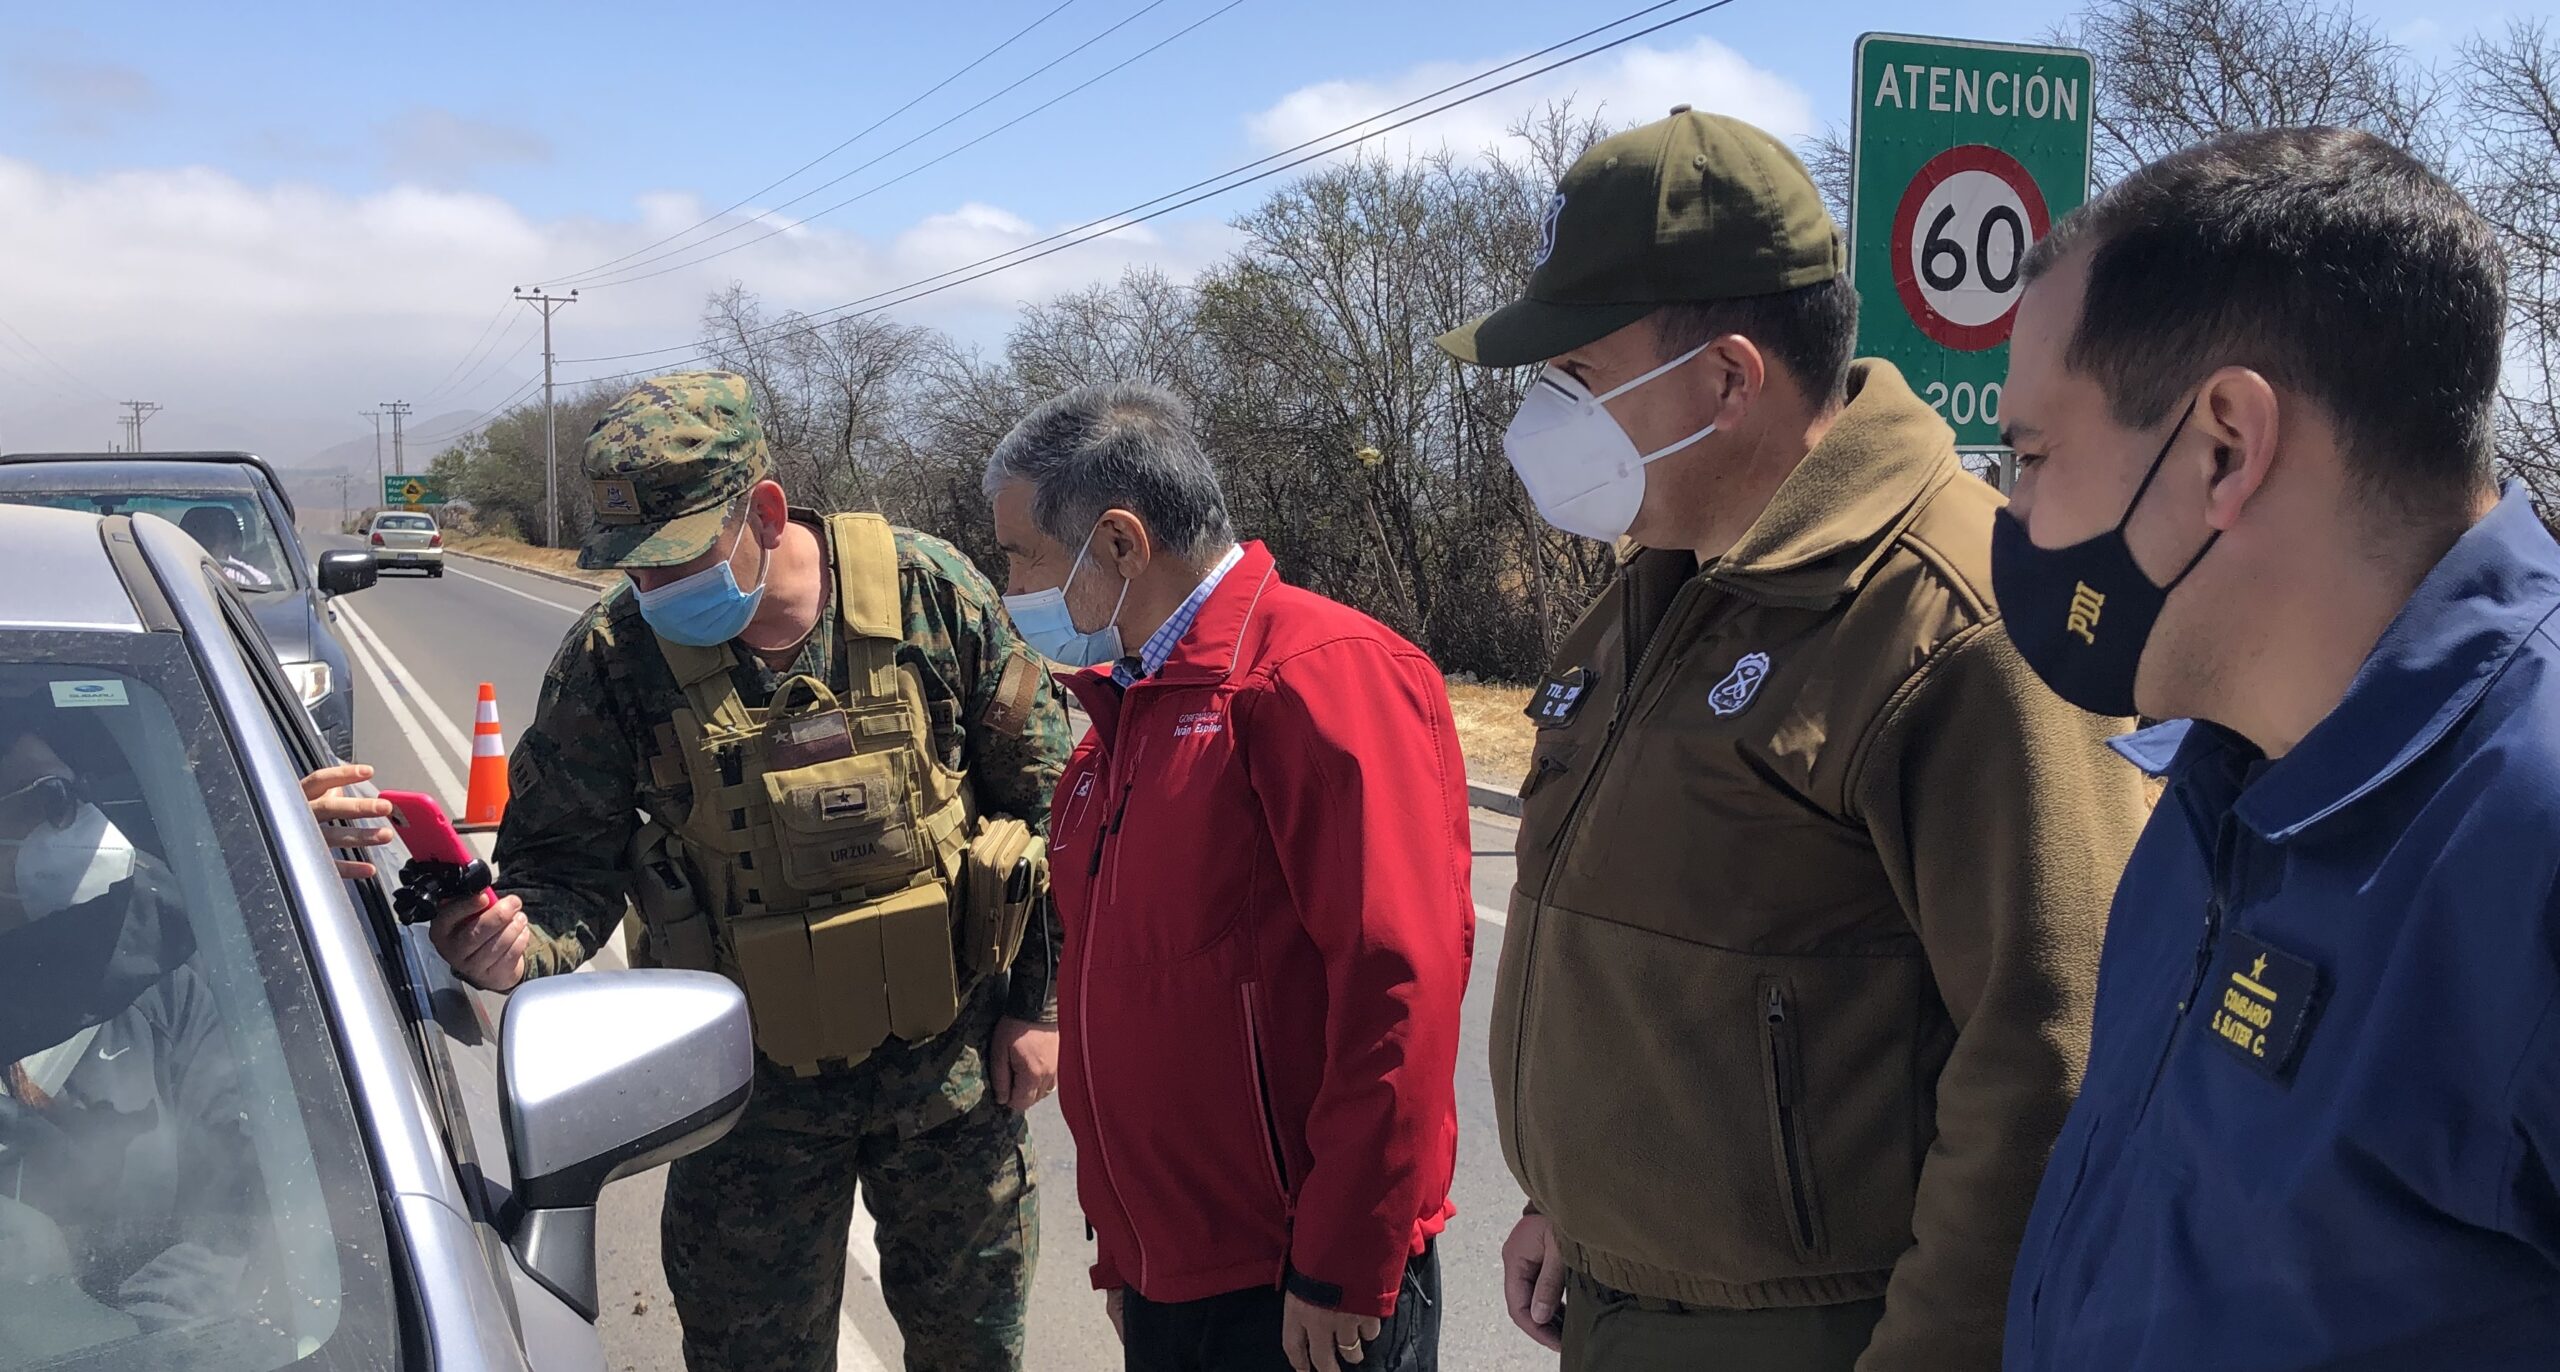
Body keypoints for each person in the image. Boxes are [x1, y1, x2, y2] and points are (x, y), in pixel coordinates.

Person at [1430, 108, 2154, 1370]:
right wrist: (1569, 1204)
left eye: (1580, 376)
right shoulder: (1656, 578)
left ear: (1725, 378)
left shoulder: (1960, 621)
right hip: (1621, 1302)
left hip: (1822, 1333)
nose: (1549, 417)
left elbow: (2053, 1056)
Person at [1995, 128, 2560, 1370]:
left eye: (2032, 455)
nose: (2014, 515)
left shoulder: (2531, 833)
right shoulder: (2223, 783)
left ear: (2224, 448)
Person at [426, 371, 1075, 1372]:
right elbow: (563, 866)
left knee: (974, 1354)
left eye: (672, 562)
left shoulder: (928, 592)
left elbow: (1049, 804)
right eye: (629, 570)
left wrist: (1042, 1007)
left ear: (762, 513)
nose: (649, 593)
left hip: (949, 1078)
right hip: (747, 1109)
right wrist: (520, 946)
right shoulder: (613, 655)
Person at [983, 383, 1472, 1372]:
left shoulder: (1315, 678)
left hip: (1295, 1283)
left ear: (1120, 544)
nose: (1011, 583)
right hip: (1175, 1275)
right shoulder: (1132, 704)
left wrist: (1343, 1257)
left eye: (1021, 554)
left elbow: (1397, 987)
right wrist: (1126, 1251)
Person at [0, 717, 265, 1357]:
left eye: (80, 792)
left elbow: (231, 1199)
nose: (81, 821)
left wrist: (149, 1338)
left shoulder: (167, 991)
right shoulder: (142, 941)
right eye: (50, 801)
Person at [177, 505, 275, 592]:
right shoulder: (174, 571)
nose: (217, 545)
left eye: (224, 539)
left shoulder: (254, 580)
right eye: (209, 537)